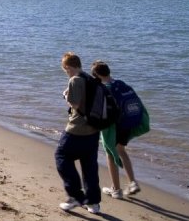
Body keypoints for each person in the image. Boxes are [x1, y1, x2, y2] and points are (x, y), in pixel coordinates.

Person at [91, 60, 146, 199]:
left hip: (113, 128)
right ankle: (132, 182)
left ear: (96, 75)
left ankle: (116, 189)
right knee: (121, 150)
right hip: (127, 125)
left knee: (110, 154)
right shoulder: (121, 84)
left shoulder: (104, 88)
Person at [55, 52, 101, 214]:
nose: (66, 72)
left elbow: (75, 103)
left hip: (76, 129)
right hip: (94, 130)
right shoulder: (91, 78)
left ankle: (75, 196)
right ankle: (93, 203)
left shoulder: (75, 80)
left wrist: (66, 95)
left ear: (68, 67)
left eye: (65, 70)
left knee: (61, 157)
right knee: (89, 166)